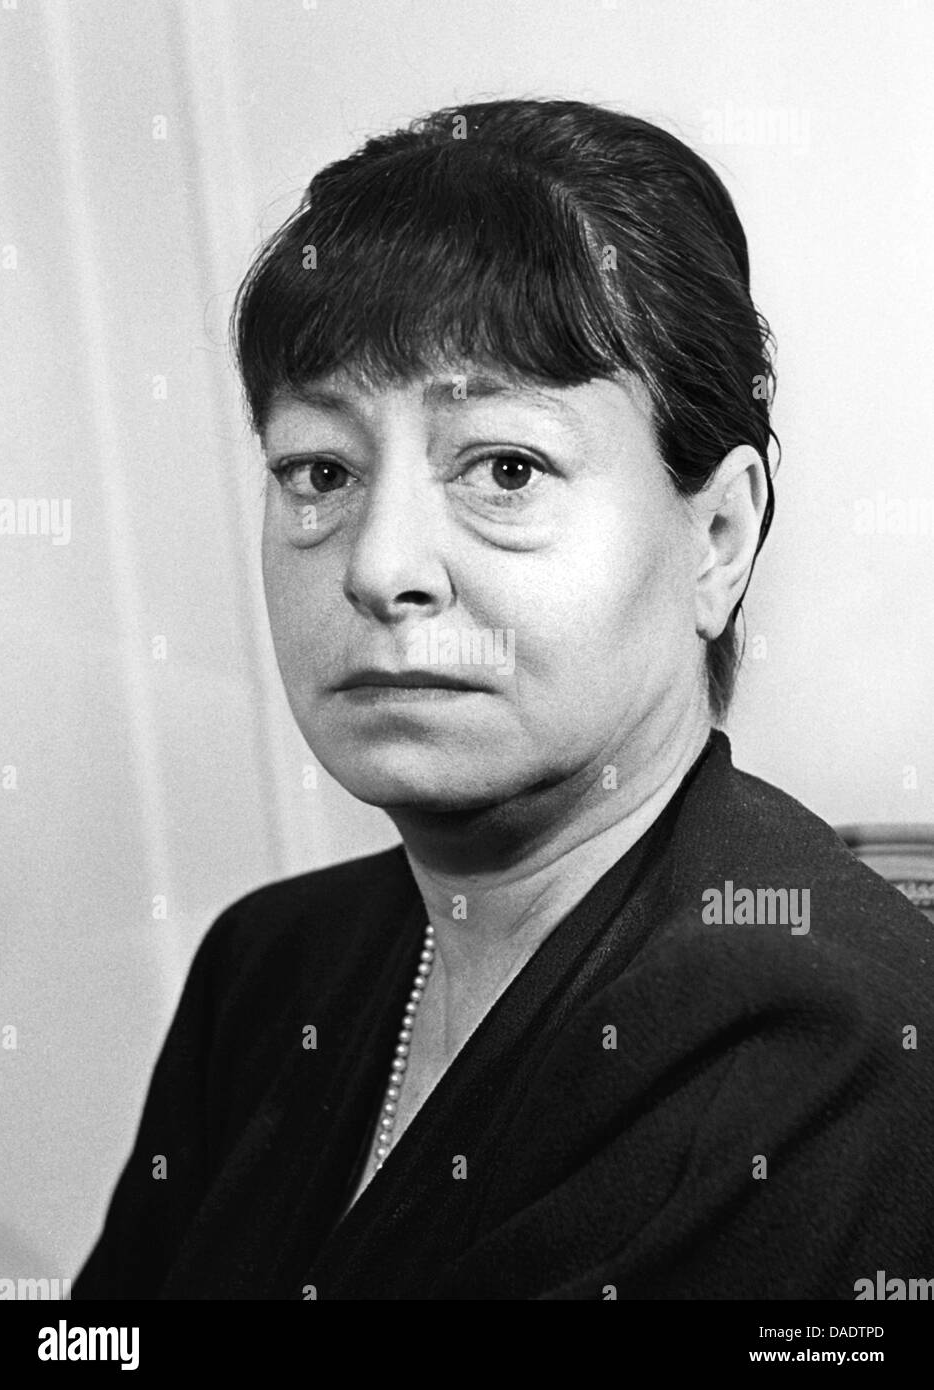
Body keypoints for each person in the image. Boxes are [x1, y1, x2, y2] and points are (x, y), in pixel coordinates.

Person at [73, 97, 934, 1300]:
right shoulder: (267, 972)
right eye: (319, 470)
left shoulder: (843, 1055)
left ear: (717, 538)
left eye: (505, 467)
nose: (379, 568)